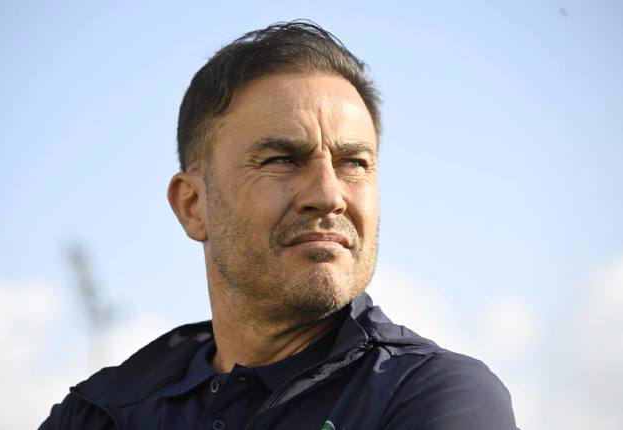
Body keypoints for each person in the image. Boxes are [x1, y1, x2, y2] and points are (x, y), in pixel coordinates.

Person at [40, 21, 518, 430]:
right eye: (282, 159)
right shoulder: (102, 412)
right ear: (193, 205)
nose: (329, 195)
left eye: (354, 162)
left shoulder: (432, 396)